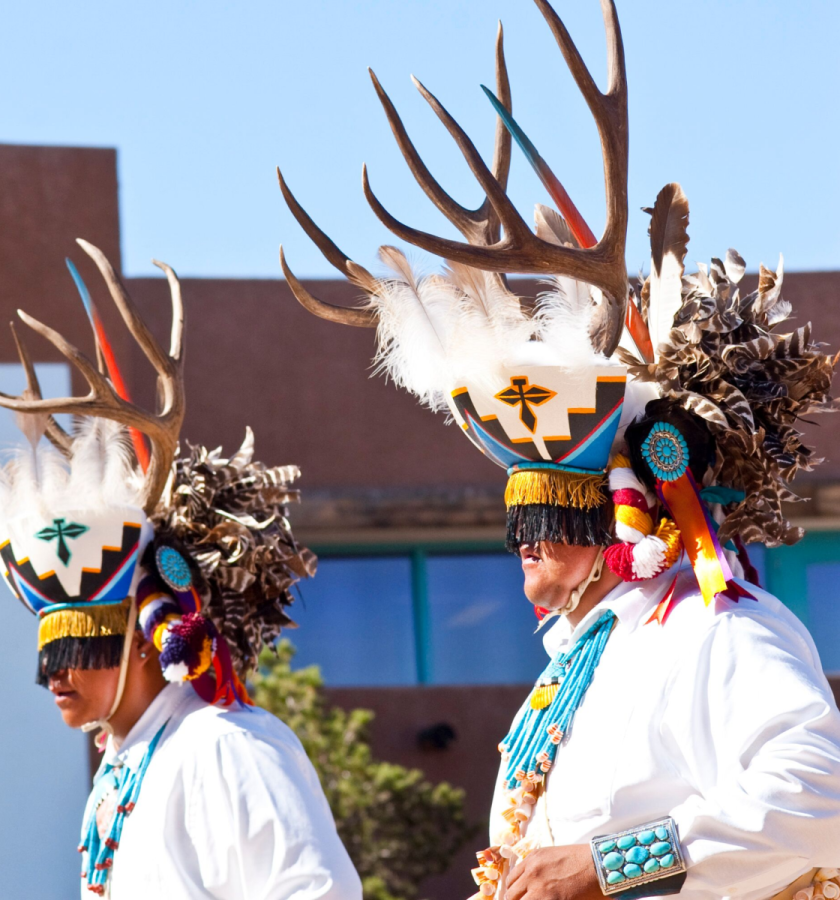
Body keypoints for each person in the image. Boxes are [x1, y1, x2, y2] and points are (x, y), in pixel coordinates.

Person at [273, 1, 840, 899]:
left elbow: (821, 799)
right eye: (519, 523)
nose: (528, 545)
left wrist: (608, 862)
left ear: (622, 505)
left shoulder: (714, 627)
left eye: (554, 517)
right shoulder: (582, 652)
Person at [0, 240, 362, 899]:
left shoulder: (222, 746)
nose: (54, 673)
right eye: (49, 649)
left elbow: (317, 892)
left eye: (74, 644)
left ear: (147, 636)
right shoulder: (128, 765)